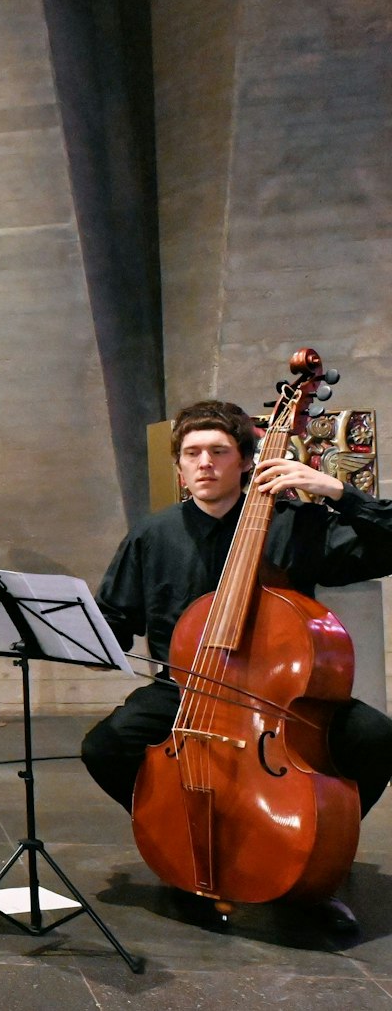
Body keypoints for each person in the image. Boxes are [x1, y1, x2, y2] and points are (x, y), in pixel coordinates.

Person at [80, 399, 392, 932]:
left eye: (219, 452)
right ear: (179, 465)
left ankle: (311, 855)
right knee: (105, 746)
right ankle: (187, 844)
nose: (204, 463)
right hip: (188, 690)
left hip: (276, 698)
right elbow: (115, 617)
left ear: (246, 461)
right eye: (192, 453)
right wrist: (85, 641)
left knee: (375, 738)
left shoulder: (295, 524)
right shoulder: (153, 535)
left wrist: (339, 492)